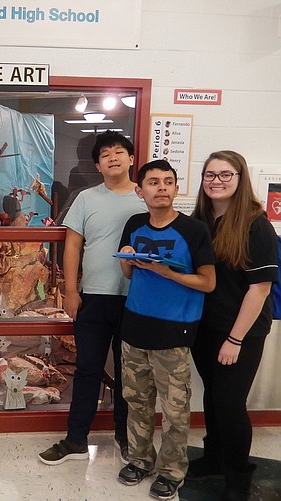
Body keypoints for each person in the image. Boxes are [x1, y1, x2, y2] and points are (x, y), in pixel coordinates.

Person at [39, 130, 146, 466]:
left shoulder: (146, 197)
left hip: (137, 299)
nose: (112, 157)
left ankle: (126, 438)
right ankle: (75, 439)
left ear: (131, 159)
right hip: (94, 298)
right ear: (98, 166)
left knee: (130, 373)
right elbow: (72, 245)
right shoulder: (86, 197)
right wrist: (71, 291)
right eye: (104, 155)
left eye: (118, 152)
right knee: (87, 369)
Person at [115, 160, 215, 500]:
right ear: (140, 191)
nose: (162, 187)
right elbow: (130, 276)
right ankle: (140, 460)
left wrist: (168, 273)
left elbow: (208, 282)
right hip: (134, 328)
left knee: (174, 410)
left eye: (168, 182)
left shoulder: (194, 230)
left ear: (175, 188)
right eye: (154, 182)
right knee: (137, 401)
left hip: (174, 333)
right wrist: (126, 259)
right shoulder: (134, 223)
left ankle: (172, 471)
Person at [189, 151, 279, 501]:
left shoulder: (256, 224)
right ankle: (213, 458)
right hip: (205, 328)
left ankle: (239, 477)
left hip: (241, 331)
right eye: (210, 174)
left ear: (241, 179)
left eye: (226, 175)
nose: (216, 181)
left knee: (229, 402)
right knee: (213, 397)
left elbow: (260, 289)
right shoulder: (199, 221)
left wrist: (235, 339)